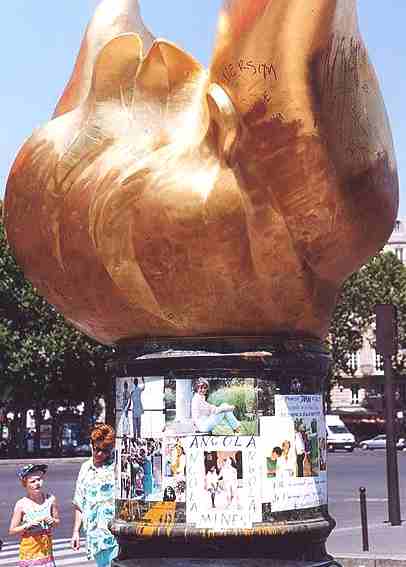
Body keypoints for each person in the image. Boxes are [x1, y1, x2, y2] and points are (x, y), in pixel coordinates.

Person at [71, 424, 118, 567]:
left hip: (114, 536)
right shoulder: (85, 468)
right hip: (95, 536)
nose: (99, 454)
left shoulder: (116, 466)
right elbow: (79, 502)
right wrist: (76, 532)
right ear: (91, 445)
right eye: (96, 449)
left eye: (104, 451)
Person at [9, 463, 60, 567]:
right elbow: (12, 530)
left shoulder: (50, 499)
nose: (37, 483)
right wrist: (28, 525)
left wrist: (52, 521)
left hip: (46, 555)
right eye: (33, 481)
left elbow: (57, 522)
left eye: (39, 479)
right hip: (29, 555)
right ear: (25, 484)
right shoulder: (21, 504)